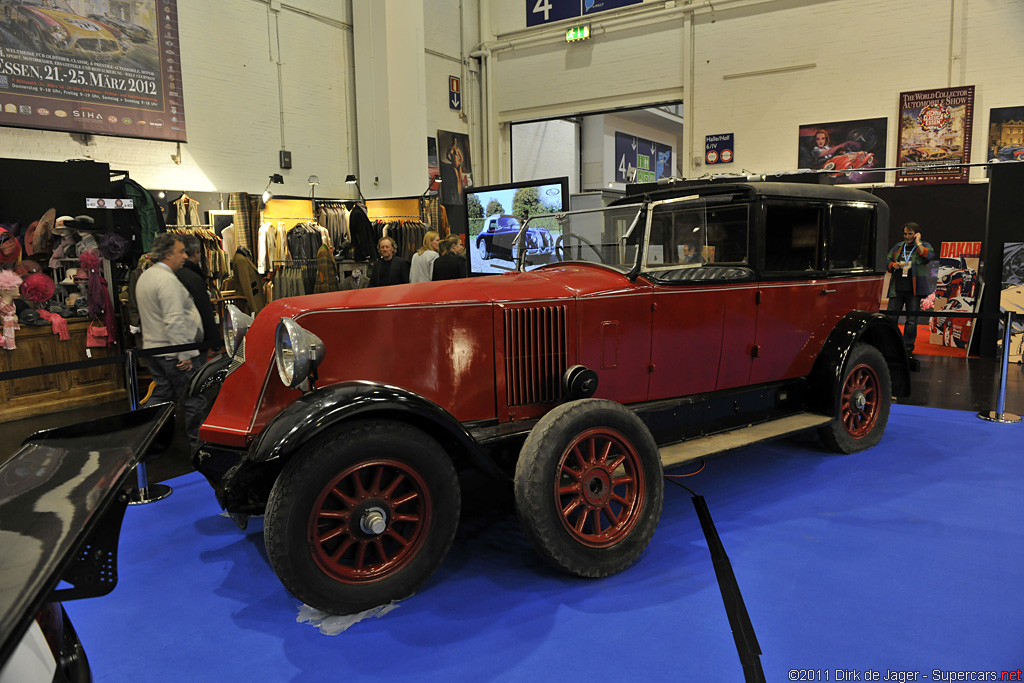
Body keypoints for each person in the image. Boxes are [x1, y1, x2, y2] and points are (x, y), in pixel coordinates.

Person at [135, 234, 205, 450]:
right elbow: (174, 320)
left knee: (163, 394)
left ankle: (146, 438)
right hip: (172, 351)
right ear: (167, 254)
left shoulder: (146, 276)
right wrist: (184, 354)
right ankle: (198, 446)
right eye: (180, 252)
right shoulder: (166, 281)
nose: (185, 256)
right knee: (194, 398)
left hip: (154, 348)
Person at [886, 221, 937, 357]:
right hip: (896, 288)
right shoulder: (898, 246)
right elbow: (887, 260)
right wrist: (893, 265)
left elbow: (929, 257)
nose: (907, 236)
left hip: (914, 290)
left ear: (916, 234)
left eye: (910, 234)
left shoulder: (924, 246)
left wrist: (918, 242)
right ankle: (890, 344)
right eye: (905, 234)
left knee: (911, 320)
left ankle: (908, 346)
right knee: (891, 318)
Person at [176, 234, 222, 355]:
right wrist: (214, 342)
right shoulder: (193, 278)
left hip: (175, 342)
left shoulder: (172, 274)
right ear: (196, 252)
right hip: (193, 341)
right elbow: (204, 311)